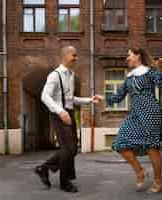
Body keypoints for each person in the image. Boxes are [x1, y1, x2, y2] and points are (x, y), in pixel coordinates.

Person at [106, 48, 162, 193]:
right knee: (120, 144)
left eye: (128, 55)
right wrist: (103, 98)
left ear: (138, 56)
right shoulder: (129, 77)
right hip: (135, 115)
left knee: (152, 146)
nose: (126, 58)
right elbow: (118, 96)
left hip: (151, 112)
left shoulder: (150, 71)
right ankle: (140, 171)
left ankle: (158, 181)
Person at [35, 45, 102, 193]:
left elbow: (71, 99)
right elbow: (44, 96)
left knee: (73, 149)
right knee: (68, 149)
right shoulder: (55, 75)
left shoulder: (70, 75)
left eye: (76, 55)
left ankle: (43, 168)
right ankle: (65, 182)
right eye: (74, 55)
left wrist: (90, 100)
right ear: (65, 56)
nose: (76, 58)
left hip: (69, 114)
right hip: (59, 116)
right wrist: (60, 111)